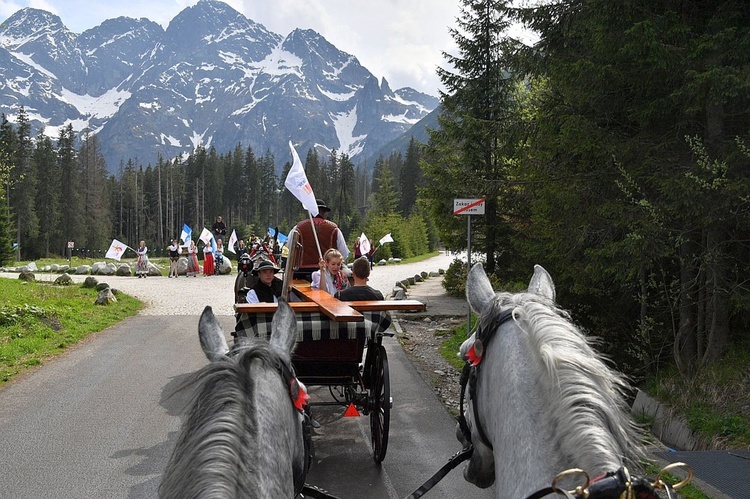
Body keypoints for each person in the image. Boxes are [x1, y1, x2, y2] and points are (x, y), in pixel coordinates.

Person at [288, 199, 349, 280]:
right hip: (326, 272)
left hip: (301, 273)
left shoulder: (298, 228)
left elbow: (289, 247)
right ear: (324, 212)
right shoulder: (334, 229)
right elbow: (343, 253)